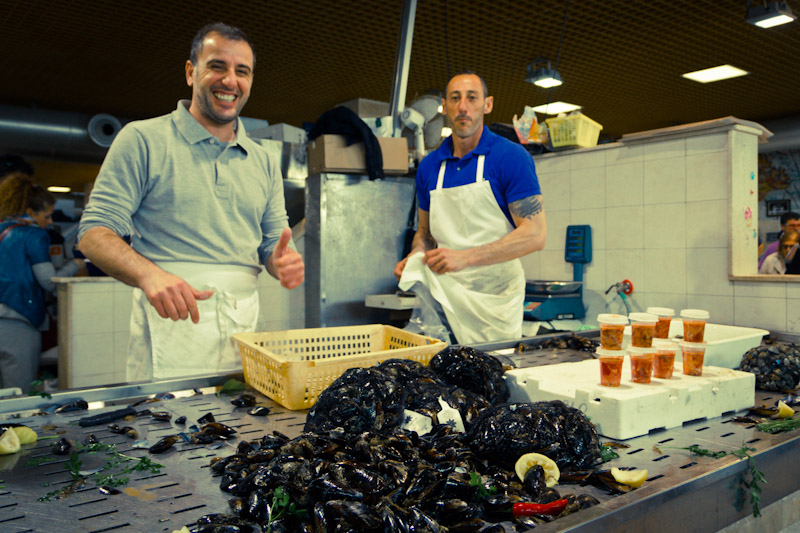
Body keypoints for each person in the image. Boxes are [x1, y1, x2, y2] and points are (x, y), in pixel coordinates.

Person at [78, 23, 304, 381]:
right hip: (172, 328)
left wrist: (281, 262)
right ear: (190, 72)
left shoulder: (262, 160)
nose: (230, 81)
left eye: (241, 71)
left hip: (243, 332)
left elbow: (271, 244)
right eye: (217, 66)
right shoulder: (142, 139)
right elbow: (93, 233)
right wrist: (149, 274)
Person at [394, 71, 546, 344]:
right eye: (455, 98)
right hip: (444, 294)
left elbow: (535, 234)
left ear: (487, 105)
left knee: (492, 379)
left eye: (471, 98)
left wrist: (465, 257)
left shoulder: (510, 157)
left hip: (495, 301)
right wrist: (416, 255)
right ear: (445, 106)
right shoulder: (429, 167)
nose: (463, 106)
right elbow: (425, 234)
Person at [0, 173, 87, 393]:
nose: (49, 223)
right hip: (18, 320)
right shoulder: (34, 235)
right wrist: (75, 264)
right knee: (18, 395)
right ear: (30, 212)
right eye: (47, 216)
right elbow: (48, 281)